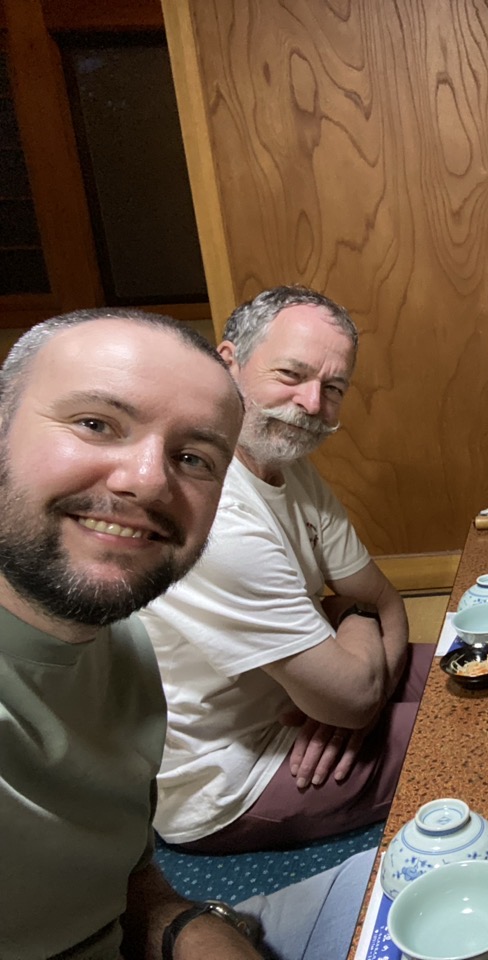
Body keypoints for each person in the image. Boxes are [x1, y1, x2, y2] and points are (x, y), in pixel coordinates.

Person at [0, 308, 373, 960]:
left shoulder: (125, 648)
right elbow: (352, 683)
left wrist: (177, 922)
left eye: (194, 458)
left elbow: (116, 879)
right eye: (96, 424)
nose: (146, 481)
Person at [139, 286, 429, 853]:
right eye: (290, 374)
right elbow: (355, 673)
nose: (312, 403)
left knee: (469, 674)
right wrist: (355, 670)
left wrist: (357, 700)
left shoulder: (285, 468)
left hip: (313, 692)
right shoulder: (211, 511)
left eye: (333, 388)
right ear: (229, 363)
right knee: (474, 729)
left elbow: (386, 603)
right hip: (234, 778)